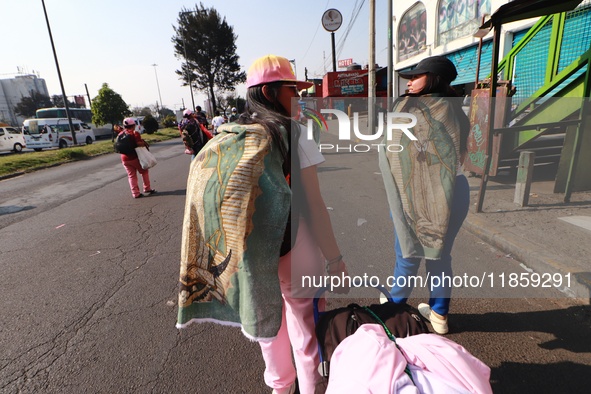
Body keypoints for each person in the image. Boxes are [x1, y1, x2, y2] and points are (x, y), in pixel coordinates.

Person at [177, 54, 348, 394]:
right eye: (292, 89)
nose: (298, 97)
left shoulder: (228, 134)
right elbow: (313, 204)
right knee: (304, 323)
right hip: (294, 246)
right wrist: (335, 259)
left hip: (249, 250)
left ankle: (281, 387)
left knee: (267, 323)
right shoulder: (293, 133)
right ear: (270, 92)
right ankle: (311, 387)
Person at [378, 56, 470, 335]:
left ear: (433, 78)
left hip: (416, 193)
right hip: (455, 191)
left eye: (416, 76)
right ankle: (439, 314)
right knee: (440, 256)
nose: (410, 82)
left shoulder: (408, 108)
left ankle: (393, 309)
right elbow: (461, 155)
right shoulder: (456, 110)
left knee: (407, 254)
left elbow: (392, 153)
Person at [118, 117, 156, 199]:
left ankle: (135, 193)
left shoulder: (120, 134)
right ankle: (147, 188)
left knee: (131, 175)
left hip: (124, 158)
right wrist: (143, 143)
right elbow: (139, 143)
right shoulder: (134, 133)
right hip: (134, 157)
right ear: (133, 125)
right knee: (144, 171)